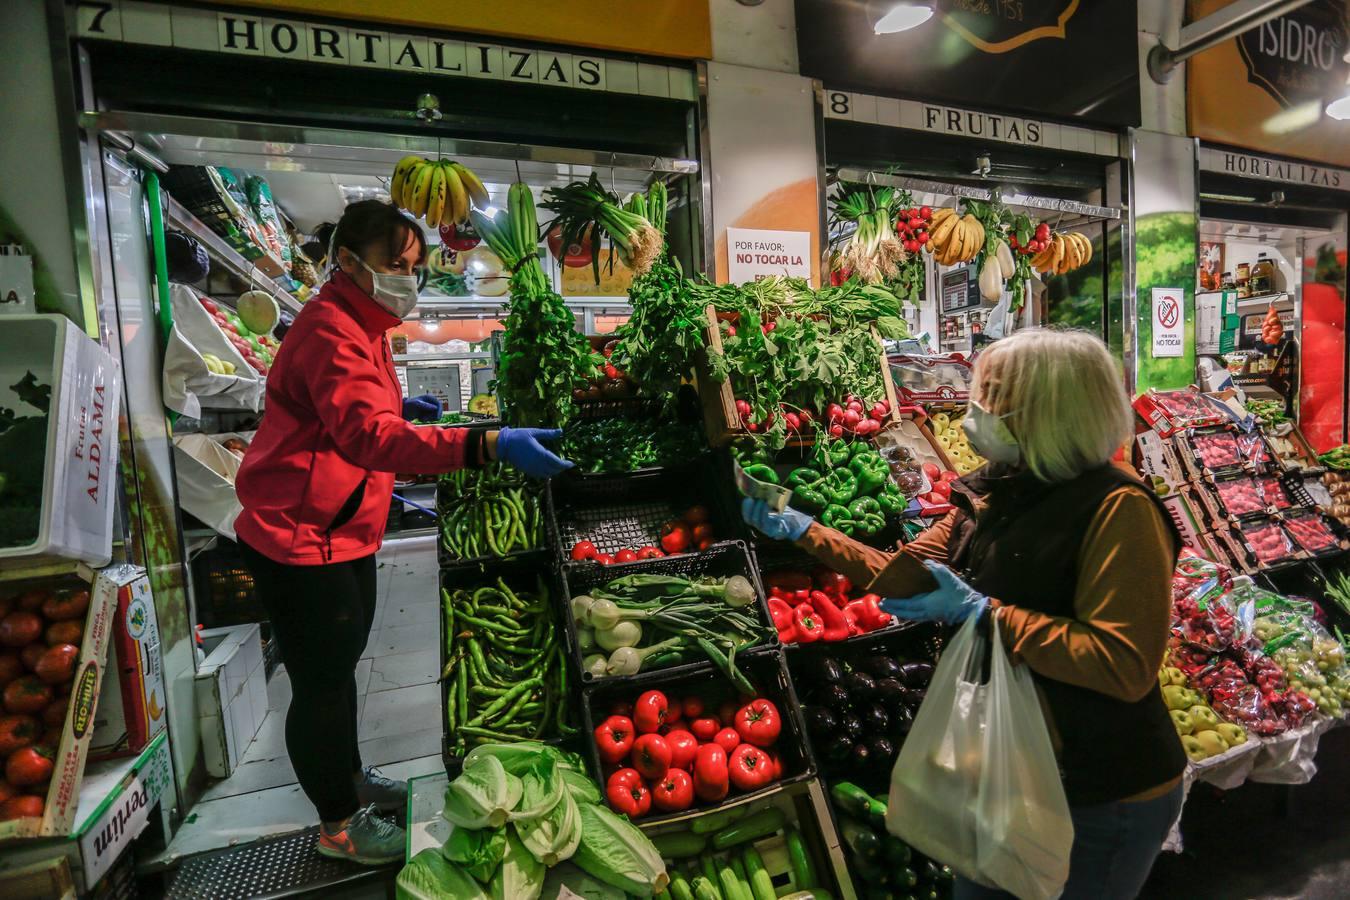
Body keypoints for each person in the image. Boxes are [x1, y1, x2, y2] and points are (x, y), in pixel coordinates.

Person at [743, 329, 1186, 900]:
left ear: (1049, 410)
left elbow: (1122, 664)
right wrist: (807, 532)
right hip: (1015, 774)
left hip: (1101, 788)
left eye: (993, 395)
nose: (975, 409)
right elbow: (897, 574)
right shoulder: (998, 494)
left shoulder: (1119, 509)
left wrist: (987, 614)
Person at [233, 200, 572, 866]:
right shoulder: (332, 328)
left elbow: (356, 410)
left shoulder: (364, 322)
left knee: (340, 668)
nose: (408, 279)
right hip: (301, 537)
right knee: (321, 684)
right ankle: (339, 827)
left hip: (341, 530)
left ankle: (351, 783)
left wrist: (400, 405)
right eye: (398, 264)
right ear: (349, 262)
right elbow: (368, 437)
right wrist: (491, 445)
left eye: (416, 267)